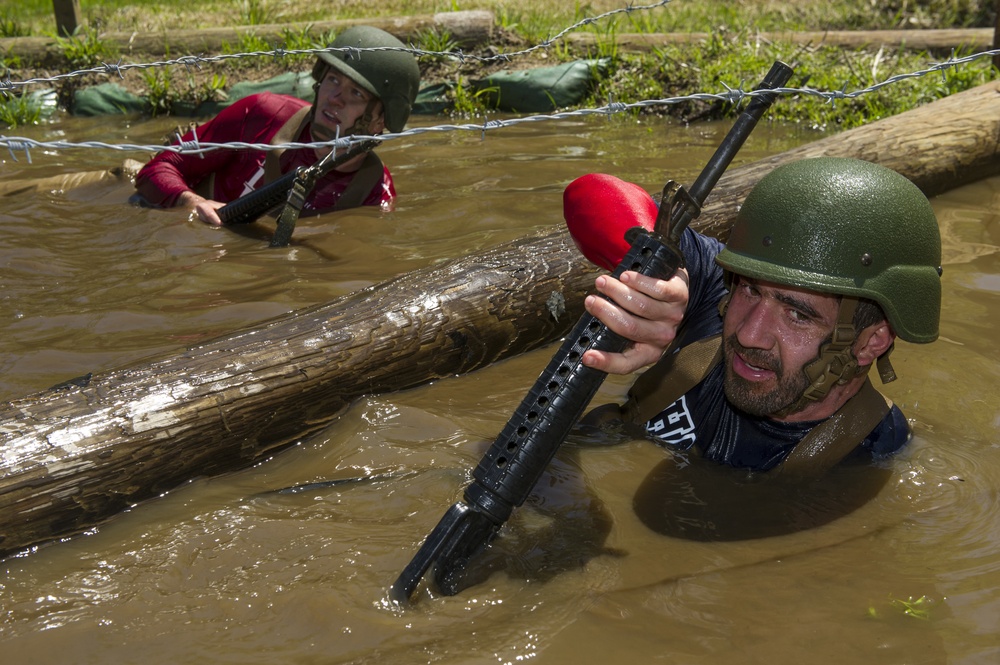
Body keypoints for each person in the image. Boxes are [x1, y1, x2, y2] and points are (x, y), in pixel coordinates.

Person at [564, 157, 943, 473]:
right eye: (750, 289)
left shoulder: (867, 450)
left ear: (871, 341)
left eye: (797, 315)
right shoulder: (715, 290)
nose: (748, 334)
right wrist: (659, 278)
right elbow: (590, 194)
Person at [133, 25, 421, 226]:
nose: (335, 99)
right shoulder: (263, 114)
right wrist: (192, 203)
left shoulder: (373, 191)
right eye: (333, 80)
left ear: (382, 120)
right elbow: (157, 168)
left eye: (356, 93)